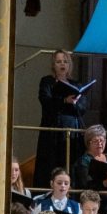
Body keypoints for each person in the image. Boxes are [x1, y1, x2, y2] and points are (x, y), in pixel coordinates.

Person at [36, 49, 88, 181]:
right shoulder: (47, 81)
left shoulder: (76, 84)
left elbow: (83, 108)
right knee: (51, 164)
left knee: (71, 164)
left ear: (70, 65)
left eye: (65, 61)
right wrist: (64, 100)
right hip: (53, 130)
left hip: (72, 129)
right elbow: (45, 101)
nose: (62, 64)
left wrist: (74, 102)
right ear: (53, 65)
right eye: (58, 62)